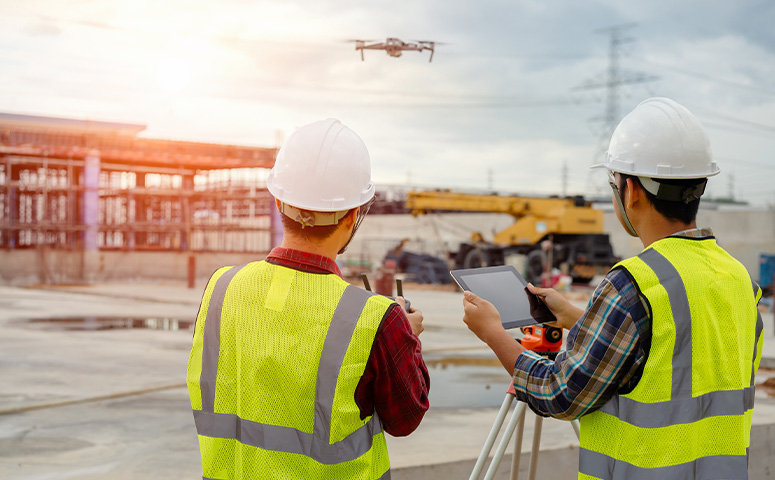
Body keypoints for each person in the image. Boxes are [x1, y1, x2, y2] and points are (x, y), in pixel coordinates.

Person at [462, 97, 763, 479]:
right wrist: (577, 318)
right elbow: (673, 350)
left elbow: (558, 394)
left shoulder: (633, 284)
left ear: (631, 190)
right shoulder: (740, 280)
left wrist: (493, 334)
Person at [186, 118, 429, 479]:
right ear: (352, 215)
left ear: (278, 200)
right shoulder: (376, 318)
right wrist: (405, 340)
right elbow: (405, 418)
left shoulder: (222, 287)